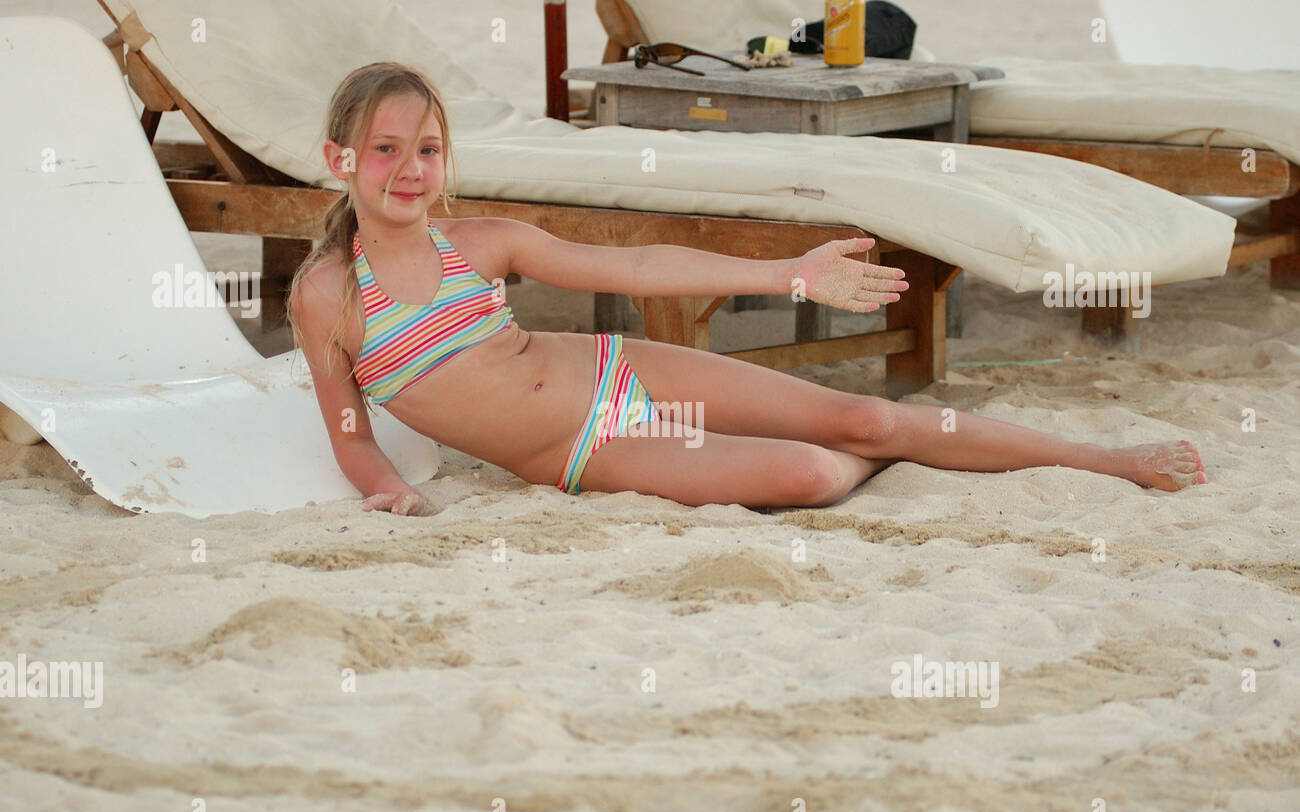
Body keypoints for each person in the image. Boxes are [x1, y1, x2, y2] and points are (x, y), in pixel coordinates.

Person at [288, 63, 1207, 518]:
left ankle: (1103, 460)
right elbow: (347, 427)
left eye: (428, 149)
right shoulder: (331, 295)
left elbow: (638, 267)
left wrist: (789, 272)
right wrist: (384, 493)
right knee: (812, 471)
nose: (410, 170)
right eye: (385, 150)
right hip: (580, 450)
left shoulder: (479, 244)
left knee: (870, 419)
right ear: (339, 161)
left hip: (619, 369)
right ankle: (919, 454)